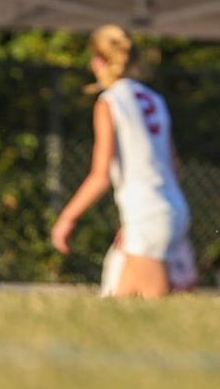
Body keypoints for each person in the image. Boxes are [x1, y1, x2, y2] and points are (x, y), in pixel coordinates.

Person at [51, 25, 194, 298]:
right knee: (119, 303)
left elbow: (101, 175)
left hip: (146, 212)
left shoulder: (109, 101)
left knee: (156, 307)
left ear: (98, 62)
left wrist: (67, 218)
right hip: (173, 206)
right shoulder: (155, 99)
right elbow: (172, 165)